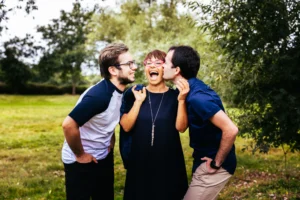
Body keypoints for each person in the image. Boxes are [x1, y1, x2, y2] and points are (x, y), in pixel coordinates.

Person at [61, 43, 137, 200]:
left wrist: (110, 141)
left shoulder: (120, 92)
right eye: (129, 64)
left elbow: (108, 120)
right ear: (113, 70)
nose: (134, 67)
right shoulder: (99, 96)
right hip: (80, 162)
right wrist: (81, 155)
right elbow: (68, 125)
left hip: (103, 156)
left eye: (133, 62)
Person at [163, 45, 239, 200]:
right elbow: (181, 127)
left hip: (215, 165)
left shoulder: (198, 97)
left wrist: (216, 163)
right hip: (201, 160)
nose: (161, 65)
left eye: (165, 62)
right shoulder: (186, 91)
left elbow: (231, 130)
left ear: (176, 70)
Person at [120, 50, 189, 200]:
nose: (153, 66)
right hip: (140, 161)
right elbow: (126, 126)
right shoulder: (134, 94)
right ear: (145, 69)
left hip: (168, 162)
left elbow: (181, 128)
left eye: (158, 63)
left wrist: (182, 100)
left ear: (166, 69)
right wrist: (138, 102)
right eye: (148, 63)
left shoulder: (175, 96)